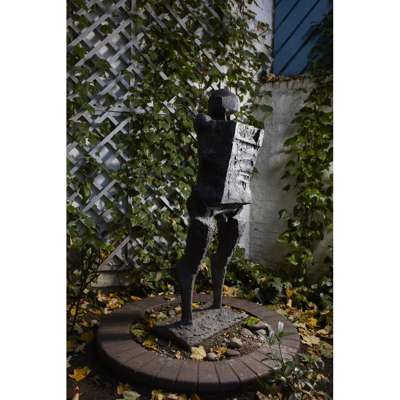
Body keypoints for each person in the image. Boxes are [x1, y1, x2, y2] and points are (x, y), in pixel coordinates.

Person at [176, 88, 264, 325]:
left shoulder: (236, 129)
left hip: (235, 200)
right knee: (194, 258)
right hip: (206, 199)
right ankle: (186, 317)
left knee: (224, 256)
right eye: (226, 111)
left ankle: (217, 303)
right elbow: (203, 123)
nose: (228, 117)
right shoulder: (205, 123)